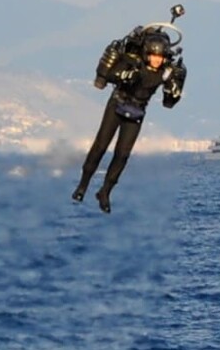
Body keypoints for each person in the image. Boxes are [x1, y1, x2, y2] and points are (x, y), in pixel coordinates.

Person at [72, 27, 186, 213]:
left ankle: (105, 192)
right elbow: (110, 75)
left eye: (160, 56)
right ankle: (82, 185)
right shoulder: (132, 61)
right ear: (146, 53)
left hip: (137, 111)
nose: (156, 60)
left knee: (122, 154)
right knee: (100, 145)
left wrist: (174, 89)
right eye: (153, 55)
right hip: (117, 104)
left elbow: (169, 101)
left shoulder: (167, 72)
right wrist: (125, 75)